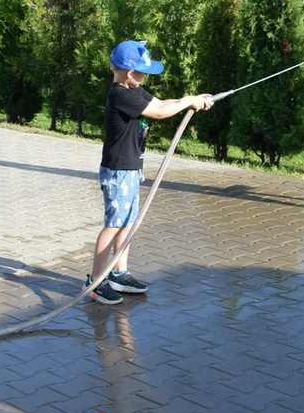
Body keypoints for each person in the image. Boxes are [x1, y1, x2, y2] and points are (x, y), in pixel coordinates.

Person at [87, 40, 211, 305]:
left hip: (130, 168)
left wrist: (194, 100)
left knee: (128, 222)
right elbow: (158, 113)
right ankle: (96, 281)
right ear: (130, 72)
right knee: (114, 224)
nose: (146, 77)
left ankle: (119, 274)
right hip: (118, 171)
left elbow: (164, 102)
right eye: (144, 72)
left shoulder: (135, 89)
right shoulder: (122, 94)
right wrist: (188, 101)